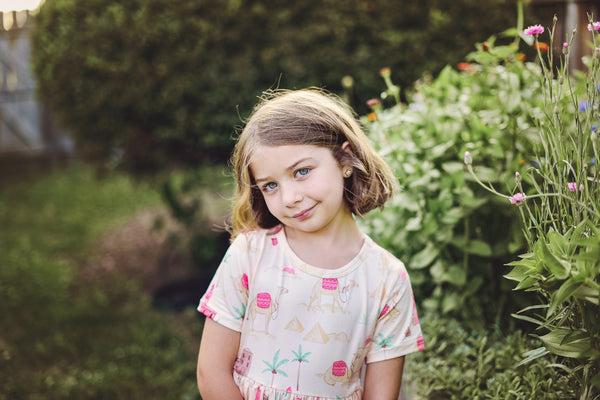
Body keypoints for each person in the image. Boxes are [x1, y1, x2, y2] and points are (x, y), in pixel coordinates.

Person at [196, 88, 424, 400]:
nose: (289, 198)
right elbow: (211, 373)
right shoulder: (249, 255)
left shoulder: (387, 278)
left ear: (345, 159)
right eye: (271, 185)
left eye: (302, 171)